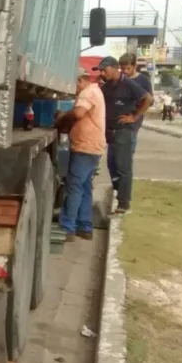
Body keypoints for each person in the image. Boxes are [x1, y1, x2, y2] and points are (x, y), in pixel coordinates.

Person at [97, 56, 153, 214]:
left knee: (123, 166)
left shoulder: (129, 83)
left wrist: (134, 117)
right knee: (112, 164)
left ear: (115, 68)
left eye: (104, 69)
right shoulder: (107, 85)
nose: (102, 72)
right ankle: (118, 191)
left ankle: (123, 203)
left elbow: (148, 99)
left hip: (124, 131)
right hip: (110, 131)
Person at [56, 70, 107, 241]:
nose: (74, 90)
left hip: (85, 147)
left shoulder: (88, 92)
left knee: (74, 186)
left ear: (79, 81)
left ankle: (67, 227)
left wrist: (64, 115)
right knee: (84, 188)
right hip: (92, 147)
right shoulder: (96, 91)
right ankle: (84, 227)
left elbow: (78, 113)